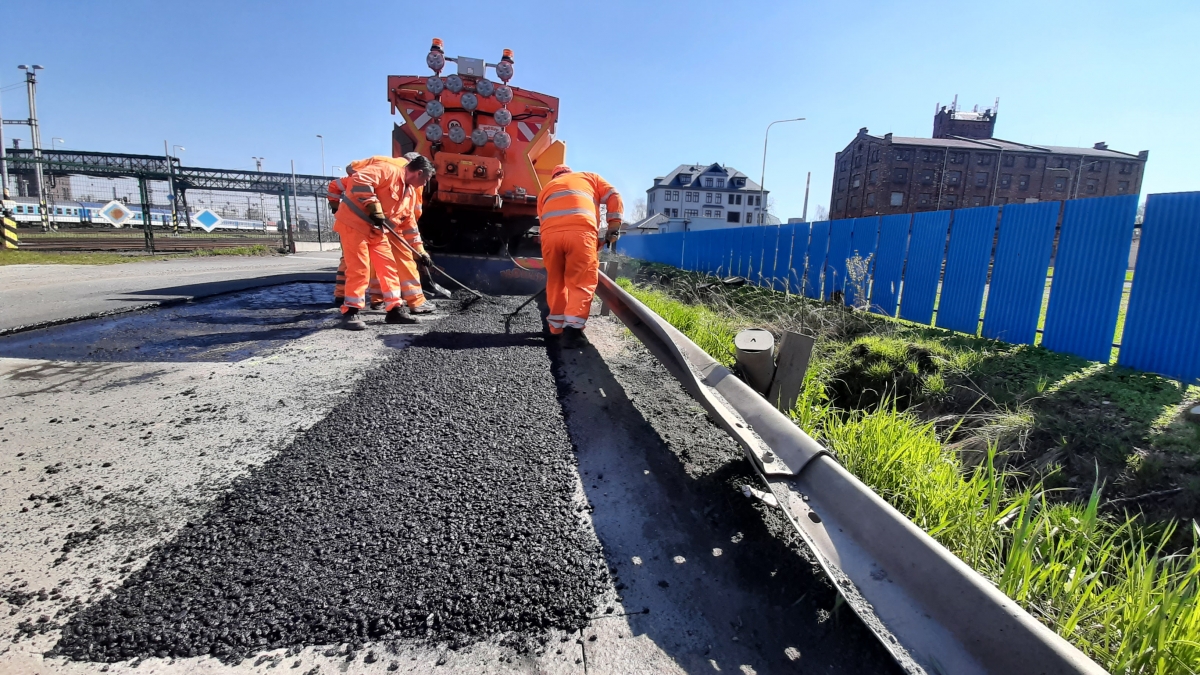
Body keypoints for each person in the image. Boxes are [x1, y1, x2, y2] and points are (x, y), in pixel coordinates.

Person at [332, 154, 436, 330]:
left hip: (377, 231)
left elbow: (409, 226)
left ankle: (395, 310)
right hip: (354, 225)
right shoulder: (388, 170)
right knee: (359, 268)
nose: (425, 185)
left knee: (389, 268)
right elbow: (359, 179)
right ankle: (350, 312)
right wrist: (373, 206)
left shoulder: (409, 193)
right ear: (418, 173)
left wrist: (421, 252)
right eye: (426, 180)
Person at [535, 164, 623, 346]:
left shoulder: (546, 189)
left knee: (556, 281)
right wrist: (613, 225)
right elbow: (614, 194)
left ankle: (556, 329)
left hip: (550, 237)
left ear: (555, 176)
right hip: (580, 234)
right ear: (570, 173)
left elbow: (542, 219)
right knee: (580, 280)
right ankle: (572, 332)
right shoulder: (589, 177)